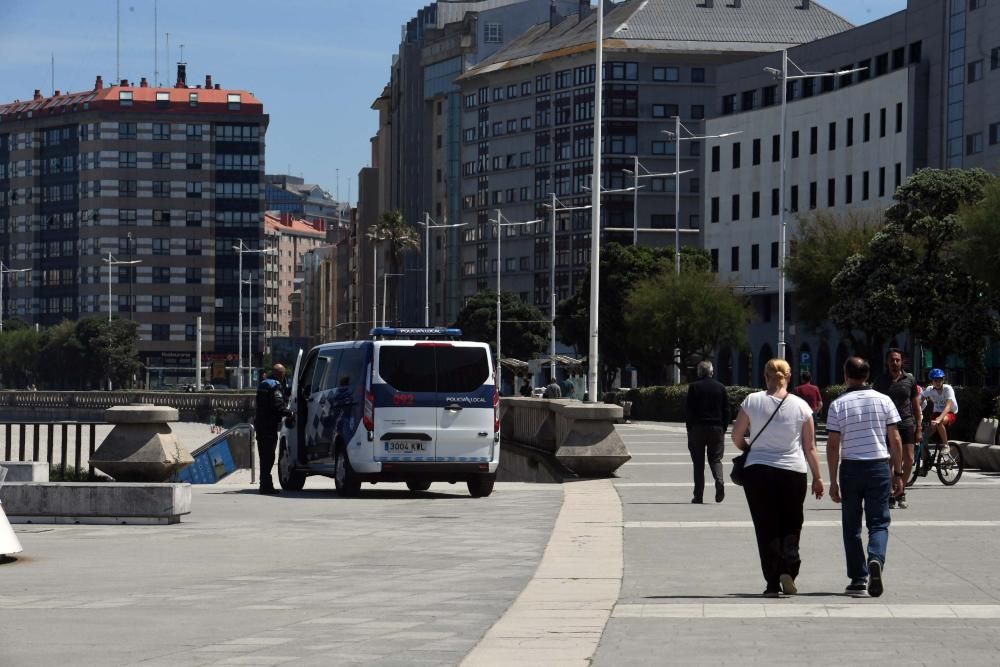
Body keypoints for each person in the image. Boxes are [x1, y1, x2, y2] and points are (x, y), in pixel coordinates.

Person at [732, 358, 824, 598]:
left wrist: (747, 448)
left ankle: (772, 582)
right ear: (789, 376)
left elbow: (736, 436)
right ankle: (789, 568)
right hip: (793, 472)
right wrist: (818, 478)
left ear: (765, 376)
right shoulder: (802, 407)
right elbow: (810, 447)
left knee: (766, 526)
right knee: (792, 523)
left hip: (758, 472)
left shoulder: (752, 401)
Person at [826, 356, 904, 598]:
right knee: (879, 522)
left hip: (850, 468)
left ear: (846, 376)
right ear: (867, 376)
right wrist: (898, 473)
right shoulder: (884, 401)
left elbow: (832, 445)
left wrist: (833, 481)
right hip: (878, 467)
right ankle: (876, 559)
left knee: (851, 526)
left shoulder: (838, 404)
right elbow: (896, 439)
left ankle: (859, 578)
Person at [873, 349, 922, 509]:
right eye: (892, 360)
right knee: (889, 461)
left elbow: (916, 406)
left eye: (897, 360)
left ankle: (901, 491)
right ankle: (889, 493)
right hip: (887, 425)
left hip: (906, 423)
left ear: (902, 362)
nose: (895, 363)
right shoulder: (880, 381)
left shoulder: (910, 379)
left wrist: (919, 427)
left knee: (908, 459)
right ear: (887, 362)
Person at [685, 361, 730, 504]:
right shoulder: (721, 387)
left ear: (699, 372)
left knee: (698, 463)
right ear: (712, 372)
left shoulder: (694, 387)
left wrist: (689, 428)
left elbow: (689, 410)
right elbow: (727, 410)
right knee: (715, 459)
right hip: (716, 428)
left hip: (697, 428)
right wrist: (723, 428)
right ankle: (719, 481)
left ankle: (698, 496)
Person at [254, 364, 289, 495]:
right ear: (281, 374)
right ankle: (266, 486)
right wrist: (289, 413)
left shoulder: (263, 384)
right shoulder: (275, 386)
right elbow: (277, 405)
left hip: (260, 425)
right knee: (269, 457)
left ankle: (264, 484)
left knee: (263, 456)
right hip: (269, 426)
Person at [921, 368, 958, 447]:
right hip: (936, 413)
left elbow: (948, 406)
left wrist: (939, 418)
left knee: (939, 422)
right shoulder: (929, 389)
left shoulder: (948, 389)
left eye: (940, 380)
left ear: (943, 380)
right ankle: (925, 458)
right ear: (931, 381)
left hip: (949, 413)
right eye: (935, 380)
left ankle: (946, 445)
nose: (938, 382)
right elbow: (919, 401)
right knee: (923, 438)